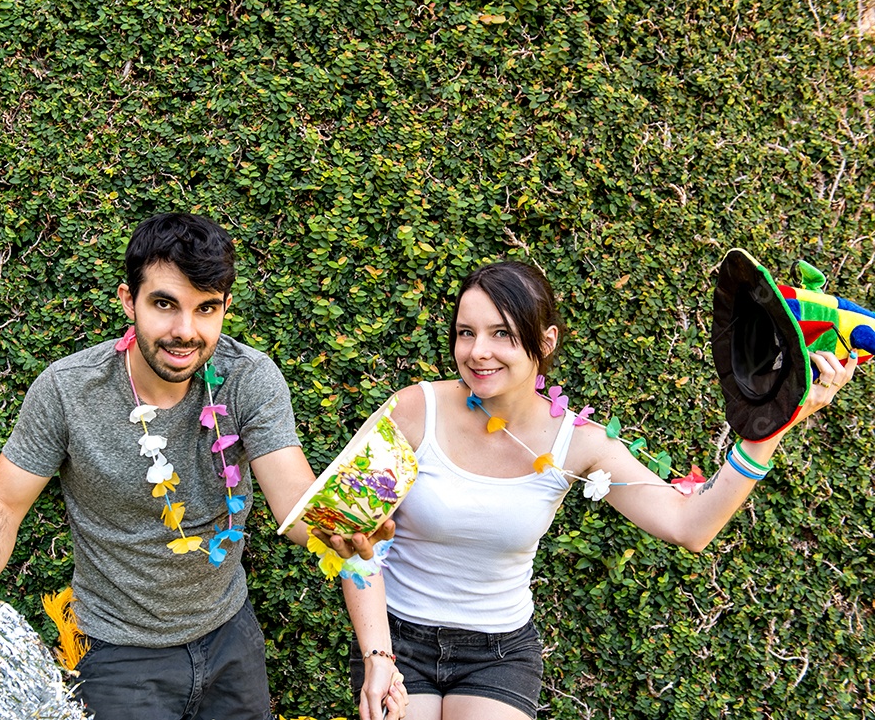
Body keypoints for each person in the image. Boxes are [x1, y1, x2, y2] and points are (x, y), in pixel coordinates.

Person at [344, 260, 858, 720]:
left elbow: (689, 526)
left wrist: (770, 429)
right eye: (466, 333)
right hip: (395, 638)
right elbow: (345, 534)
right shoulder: (414, 411)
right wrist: (378, 655)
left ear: (546, 341)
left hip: (497, 654)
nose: (478, 352)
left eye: (502, 333)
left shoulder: (579, 442)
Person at [0, 212, 406, 720]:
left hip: (230, 638)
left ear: (225, 307)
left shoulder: (248, 378)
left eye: (206, 308)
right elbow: (2, 502)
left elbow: (294, 499)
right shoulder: (68, 389)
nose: (185, 331)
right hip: (117, 653)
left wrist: (339, 529)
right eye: (165, 304)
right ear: (129, 300)